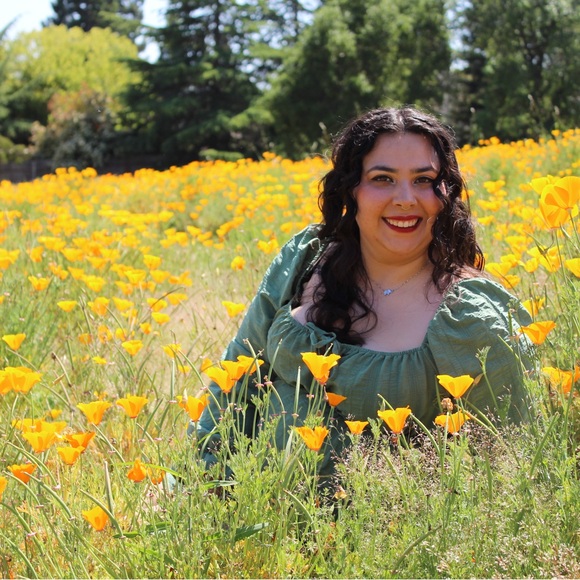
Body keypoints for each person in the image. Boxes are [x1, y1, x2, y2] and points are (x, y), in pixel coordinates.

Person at [193, 106, 534, 478]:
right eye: (382, 178)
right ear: (351, 188)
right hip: (248, 503)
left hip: (383, 514)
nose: (405, 198)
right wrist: (201, 479)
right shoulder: (307, 258)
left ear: (445, 193)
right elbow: (234, 377)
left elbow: (508, 457)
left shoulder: (471, 316)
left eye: (423, 179)